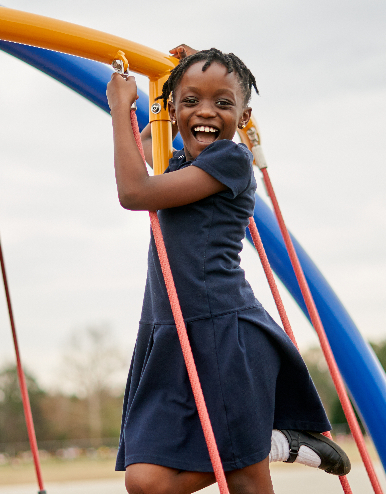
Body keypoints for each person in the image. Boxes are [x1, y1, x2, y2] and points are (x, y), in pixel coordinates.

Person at [106, 46, 350, 494]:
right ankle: (270, 443)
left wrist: (120, 106)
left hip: (224, 329)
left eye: (223, 103)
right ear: (174, 109)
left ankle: (266, 446)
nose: (206, 112)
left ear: (244, 114)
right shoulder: (178, 162)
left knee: (245, 478)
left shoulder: (230, 161)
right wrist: (161, 99)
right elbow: (144, 143)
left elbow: (134, 192)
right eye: (191, 101)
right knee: (146, 482)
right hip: (174, 332)